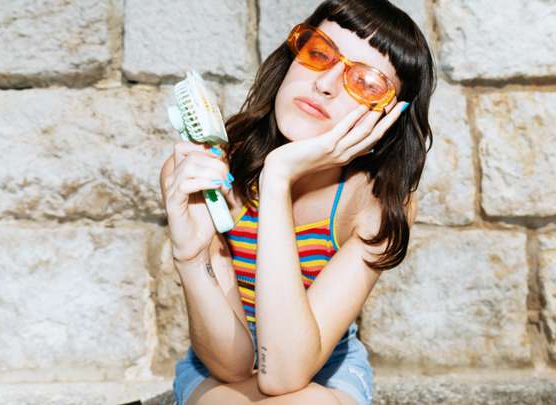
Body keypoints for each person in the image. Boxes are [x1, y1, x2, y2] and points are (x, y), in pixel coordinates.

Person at [160, 0, 436, 403]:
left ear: (389, 118)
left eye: (365, 82)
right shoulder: (207, 167)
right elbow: (231, 363)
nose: (325, 83)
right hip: (219, 365)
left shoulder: (375, 202)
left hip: (326, 371)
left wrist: (278, 179)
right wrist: (189, 255)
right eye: (320, 53)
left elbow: (284, 375)